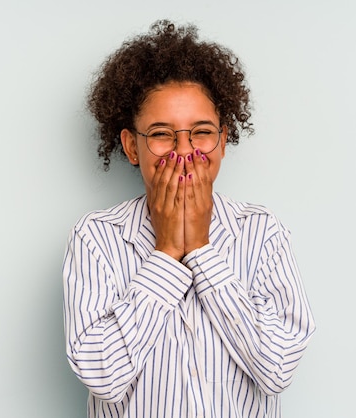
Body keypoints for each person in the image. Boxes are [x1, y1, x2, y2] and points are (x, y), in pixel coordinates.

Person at [63, 20, 315, 418]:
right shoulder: (96, 237)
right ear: (132, 146)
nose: (184, 153)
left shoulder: (262, 232)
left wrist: (200, 248)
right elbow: (103, 375)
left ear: (222, 141)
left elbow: (277, 368)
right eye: (162, 134)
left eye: (201, 132)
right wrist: (165, 252)